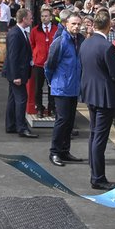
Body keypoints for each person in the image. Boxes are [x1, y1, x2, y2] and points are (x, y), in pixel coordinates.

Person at [78, 11, 115, 190]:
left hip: (90, 93)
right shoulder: (106, 46)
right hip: (104, 96)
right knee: (99, 138)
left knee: (94, 134)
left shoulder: (85, 43)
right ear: (108, 25)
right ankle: (98, 177)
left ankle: (94, 171)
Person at [44, 11, 85, 167]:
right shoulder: (60, 41)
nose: (76, 26)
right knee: (61, 120)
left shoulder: (80, 40)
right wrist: (53, 82)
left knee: (69, 121)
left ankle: (64, 151)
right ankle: (54, 152)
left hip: (74, 87)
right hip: (61, 87)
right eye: (73, 23)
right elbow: (49, 66)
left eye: (78, 24)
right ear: (66, 24)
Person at [3, 8, 36, 139]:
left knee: (12, 99)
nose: (32, 19)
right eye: (30, 17)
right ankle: (21, 128)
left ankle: (11, 125)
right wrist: (16, 76)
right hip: (16, 74)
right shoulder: (16, 34)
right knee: (21, 99)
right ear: (24, 19)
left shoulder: (19, 32)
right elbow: (12, 57)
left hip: (17, 72)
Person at [29, 6, 58, 118]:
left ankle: (52, 108)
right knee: (38, 88)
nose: (44, 18)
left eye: (46, 16)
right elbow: (32, 45)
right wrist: (35, 56)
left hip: (52, 64)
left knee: (52, 87)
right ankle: (39, 108)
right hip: (38, 64)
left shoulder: (56, 30)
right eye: (42, 16)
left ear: (51, 17)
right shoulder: (35, 30)